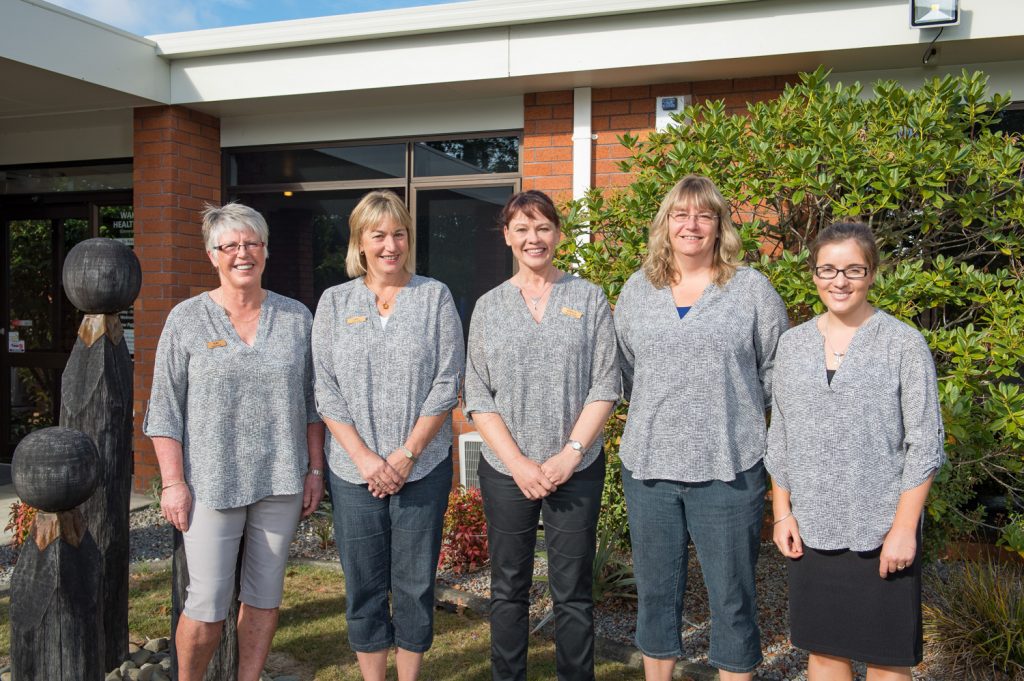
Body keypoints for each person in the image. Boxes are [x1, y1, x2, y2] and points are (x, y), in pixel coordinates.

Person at [614, 174, 788, 681]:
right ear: (665, 225)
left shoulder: (751, 289)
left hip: (728, 468)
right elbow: (626, 369)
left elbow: (778, 371)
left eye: (704, 215)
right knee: (656, 594)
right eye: (681, 215)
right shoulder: (637, 289)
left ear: (719, 227)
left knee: (732, 596)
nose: (691, 225)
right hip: (650, 470)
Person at [145, 202, 325, 681]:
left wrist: (314, 470)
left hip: (281, 480)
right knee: (205, 603)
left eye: (252, 243)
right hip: (211, 483)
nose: (242, 253)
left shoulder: (295, 318)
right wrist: (172, 483)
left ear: (265, 251)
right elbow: (164, 410)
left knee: (264, 598)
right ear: (212, 255)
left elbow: (312, 404)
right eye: (231, 245)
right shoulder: (186, 319)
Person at [765, 222, 945, 681]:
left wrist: (904, 529)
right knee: (824, 655)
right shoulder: (792, 344)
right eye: (828, 269)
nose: (839, 281)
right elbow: (781, 434)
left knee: (887, 662)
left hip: (882, 530)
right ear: (813, 274)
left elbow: (924, 442)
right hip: (812, 529)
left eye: (853, 269)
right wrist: (783, 513)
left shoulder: (903, 344)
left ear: (872, 274)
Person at [463, 189, 619, 681]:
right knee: (507, 588)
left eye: (544, 227)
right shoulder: (488, 307)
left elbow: (606, 381)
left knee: (571, 590)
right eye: (523, 228)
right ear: (508, 236)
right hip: (508, 470)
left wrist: (569, 455)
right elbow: (478, 394)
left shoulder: (588, 297)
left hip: (575, 468)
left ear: (558, 234)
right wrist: (519, 464)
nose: (534, 238)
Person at [311, 190, 464, 681]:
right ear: (360, 242)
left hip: (422, 467)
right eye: (378, 235)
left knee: (415, 582)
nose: (390, 245)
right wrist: (365, 459)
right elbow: (325, 388)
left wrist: (404, 455)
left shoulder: (434, 296)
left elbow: (447, 381)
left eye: (399, 234)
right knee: (364, 583)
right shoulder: (334, 302)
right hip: (353, 472)